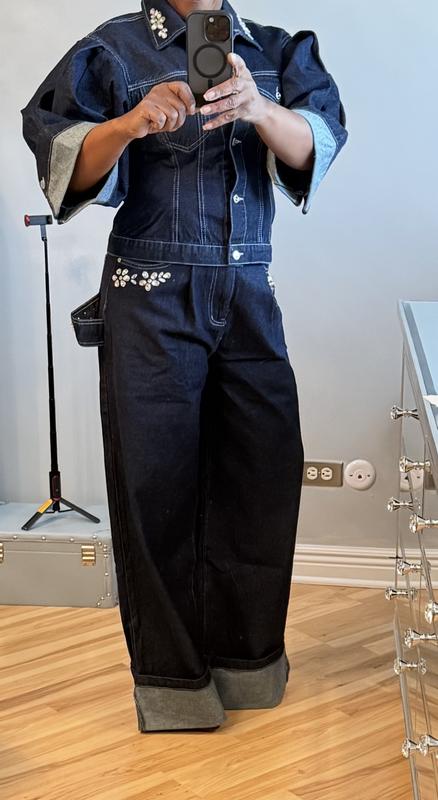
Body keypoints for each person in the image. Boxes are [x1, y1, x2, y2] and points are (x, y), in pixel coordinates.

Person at [20, 0, 348, 732]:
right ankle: (172, 683)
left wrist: (259, 108)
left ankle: (248, 663)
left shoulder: (275, 50)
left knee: (261, 477)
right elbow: (63, 154)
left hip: (249, 291)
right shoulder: (111, 49)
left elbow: (317, 144)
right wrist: (130, 123)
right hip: (148, 294)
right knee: (155, 483)